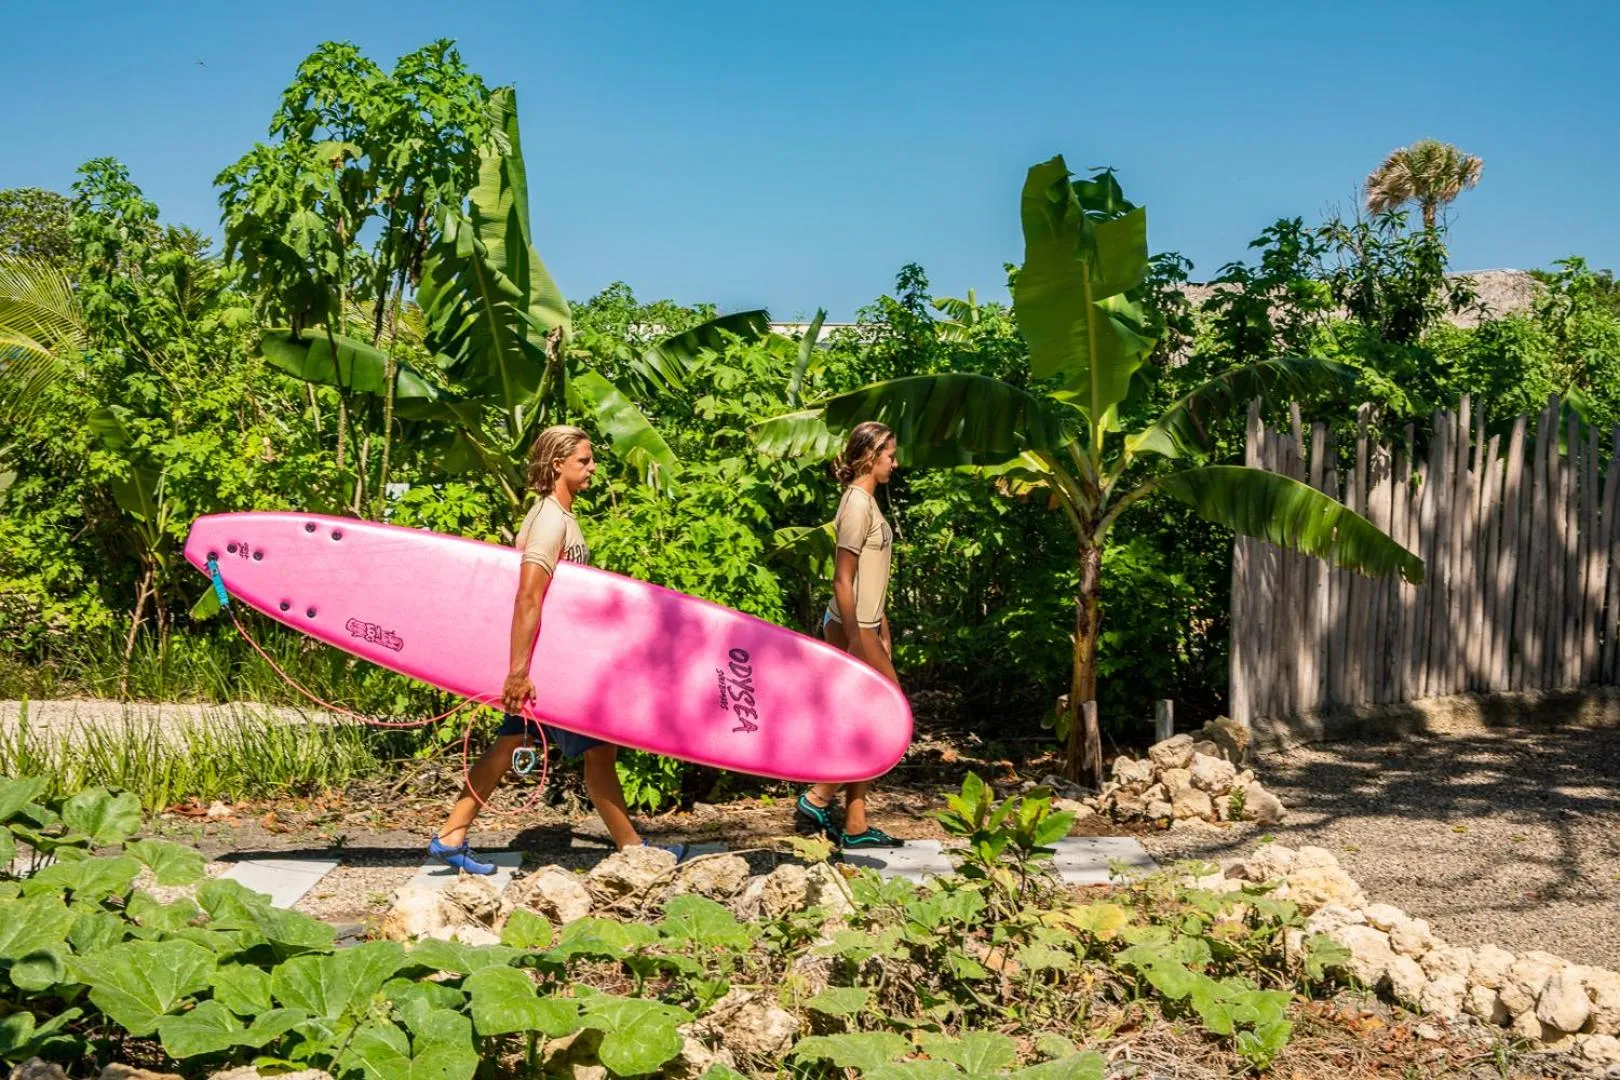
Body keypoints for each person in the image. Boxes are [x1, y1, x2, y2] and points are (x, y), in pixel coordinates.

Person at [429, 425, 684, 874]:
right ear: (556, 465)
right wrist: (518, 671)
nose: (592, 468)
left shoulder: (561, 515)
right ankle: (635, 852)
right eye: (583, 461)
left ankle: (451, 836)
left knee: (512, 741)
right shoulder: (549, 519)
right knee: (598, 752)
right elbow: (529, 596)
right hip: (550, 667)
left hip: (556, 661)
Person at [794, 420, 906, 849]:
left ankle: (856, 824)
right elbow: (843, 580)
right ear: (870, 455)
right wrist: (859, 638)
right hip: (850, 624)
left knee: (861, 719)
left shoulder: (867, 502)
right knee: (888, 719)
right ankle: (819, 794)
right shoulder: (857, 505)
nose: (894, 464)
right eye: (890, 456)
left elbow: (873, 579)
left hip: (864, 622)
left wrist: (881, 627)